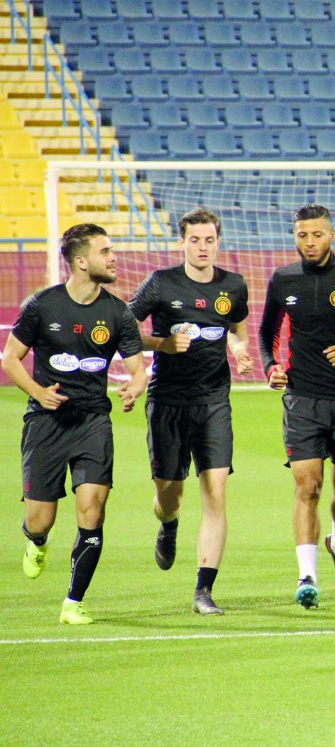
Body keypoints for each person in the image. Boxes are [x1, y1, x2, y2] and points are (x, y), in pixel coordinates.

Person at [3, 224, 147, 625]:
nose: (114, 257)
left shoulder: (118, 312)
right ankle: (35, 540)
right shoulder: (42, 306)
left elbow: (138, 370)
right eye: (106, 251)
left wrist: (134, 388)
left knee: (92, 510)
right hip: (46, 422)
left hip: (93, 421)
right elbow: (10, 358)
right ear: (81, 262)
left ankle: (73, 601)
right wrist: (38, 391)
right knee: (41, 519)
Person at [128, 209, 252, 616]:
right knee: (170, 494)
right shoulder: (161, 283)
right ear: (181, 242)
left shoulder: (233, 285)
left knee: (216, 491)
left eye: (209, 240)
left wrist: (240, 351)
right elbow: (122, 329)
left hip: (214, 401)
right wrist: (161, 346)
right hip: (167, 402)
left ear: (218, 242)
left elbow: (236, 328)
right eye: (194, 240)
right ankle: (168, 523)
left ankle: (203, 590)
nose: (202, 247)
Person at [258, 204, 335, 608]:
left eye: (317, 234)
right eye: (302, 235)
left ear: (332, 235)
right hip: (302, 399)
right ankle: (307, 576)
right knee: (308, 486)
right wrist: (271, 366)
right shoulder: (283, 279)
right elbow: (267, 333)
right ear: (295, 237)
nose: (309, 242)